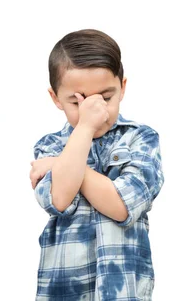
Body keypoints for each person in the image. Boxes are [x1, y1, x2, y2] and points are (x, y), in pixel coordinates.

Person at [29, 29, 164, 300]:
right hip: (64, 290)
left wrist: (60, 164)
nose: (95, 111)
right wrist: (84, 130)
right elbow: (59, 200)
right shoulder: (50, 146)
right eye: (79, 101)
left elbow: (122, 206)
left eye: (105, 98)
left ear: (122, 88)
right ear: (56, 98)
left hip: (123, 290)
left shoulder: (141, 139)